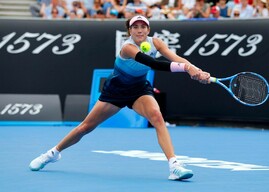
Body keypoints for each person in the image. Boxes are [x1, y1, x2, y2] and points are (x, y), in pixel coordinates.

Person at [29, 15, 210, 180]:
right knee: (85, 127)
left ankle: (174, 165)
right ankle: (52, 153)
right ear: (129, 30)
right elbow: (153, 63)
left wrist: (198, 71)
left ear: (148, 30)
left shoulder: (156, 43)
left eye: (143, 27)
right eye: (135, 27)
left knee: (157, 116)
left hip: (139, 90)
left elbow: (175, 57)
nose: (139, 30)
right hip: (115, 92)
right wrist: (186, 69)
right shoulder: (127, 47)